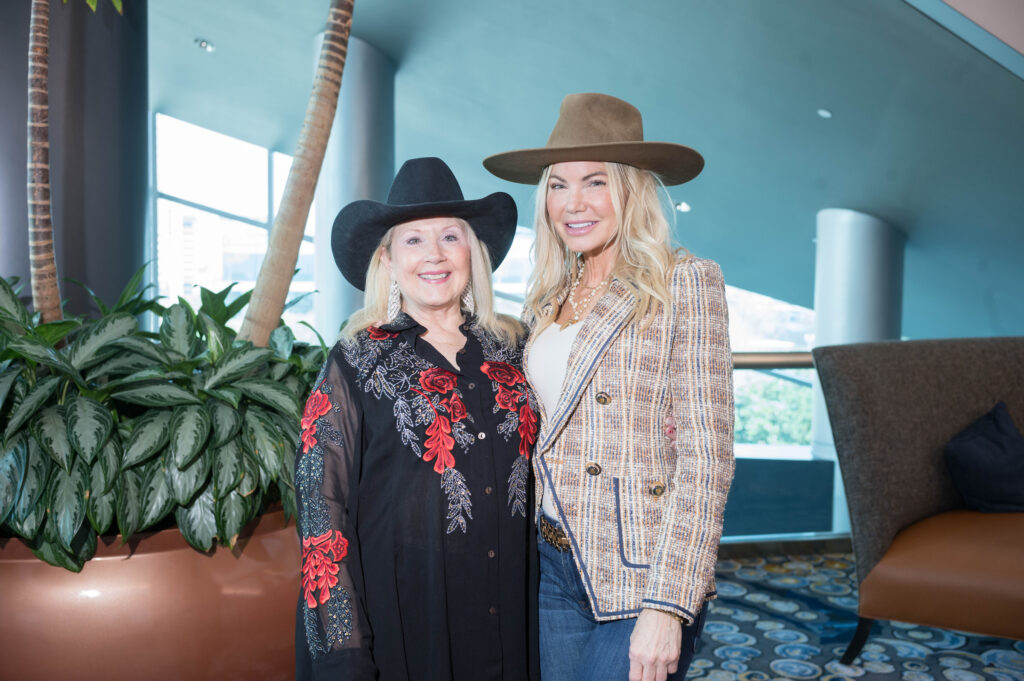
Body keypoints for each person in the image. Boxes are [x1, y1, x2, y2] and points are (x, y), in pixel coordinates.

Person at [483, 93, 735, 681]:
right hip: (549, 562)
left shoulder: (686, 282)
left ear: (631, 189)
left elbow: (707, 457)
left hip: (638, 571)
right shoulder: (546, 298)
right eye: (557, 185)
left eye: (594, 182)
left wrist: (668, 607)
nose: (573, 204)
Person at [294, 157, 539, 681]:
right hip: (405, 622)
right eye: (413, 240)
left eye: (450, 237)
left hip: (513, 614)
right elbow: (321, 507)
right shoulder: (356, 360)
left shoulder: (514, 351)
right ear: (387, 259)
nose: (434, 255)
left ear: (473, 252)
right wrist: (344, 647)